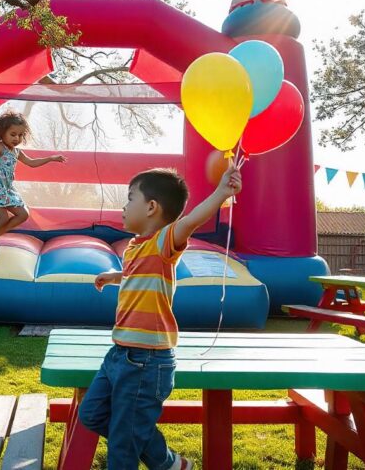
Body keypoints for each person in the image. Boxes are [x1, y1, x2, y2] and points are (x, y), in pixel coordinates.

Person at [78, 165, 242, 469]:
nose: (124, 206)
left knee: (123, 448)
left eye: (130, 198)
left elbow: (191, 221)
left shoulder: (165, 241)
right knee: (92, 414)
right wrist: (114, 277)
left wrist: (221, 193)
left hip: (146, 361)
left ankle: (160, 460)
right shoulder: (133, 247)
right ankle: (168, 462)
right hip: (119, 354)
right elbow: (135, 275)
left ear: (152, 207)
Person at [0, 111, 66, 262]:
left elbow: (32, 163)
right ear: (2, 133)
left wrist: (50, 158)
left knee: (23, 214)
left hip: (7, 189)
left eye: (20, 135)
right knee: (3, 217)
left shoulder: (16, 152)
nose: (17, 138)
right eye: (13, 134)